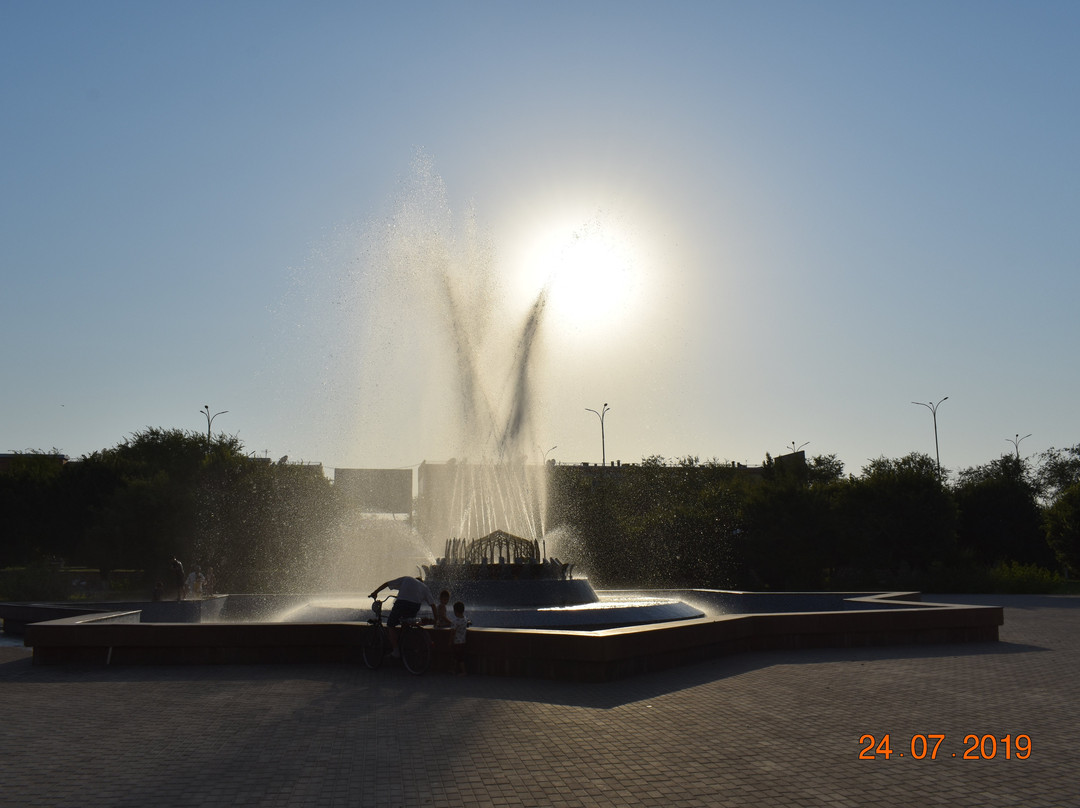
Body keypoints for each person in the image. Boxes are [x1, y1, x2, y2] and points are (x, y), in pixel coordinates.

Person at [369, 576, 438, 659]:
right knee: (406, 622)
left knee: (390, 624)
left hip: (402, 603)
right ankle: (404, 644)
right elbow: (433, 605)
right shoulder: (424, 587)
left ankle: (396, 651)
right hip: (415, 606)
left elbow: (387, 584)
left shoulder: (407, 579)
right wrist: (436, 620)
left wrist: (375, 592)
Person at [449, 601, 469, 676]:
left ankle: (463, 672)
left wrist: (450, 641)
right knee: (459, 657)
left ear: (455, 611)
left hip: (456, 642)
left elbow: (453, 632)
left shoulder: (455, 621)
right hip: (463, 641)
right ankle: (454, 670)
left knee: (458, 658)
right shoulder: (465, 620)